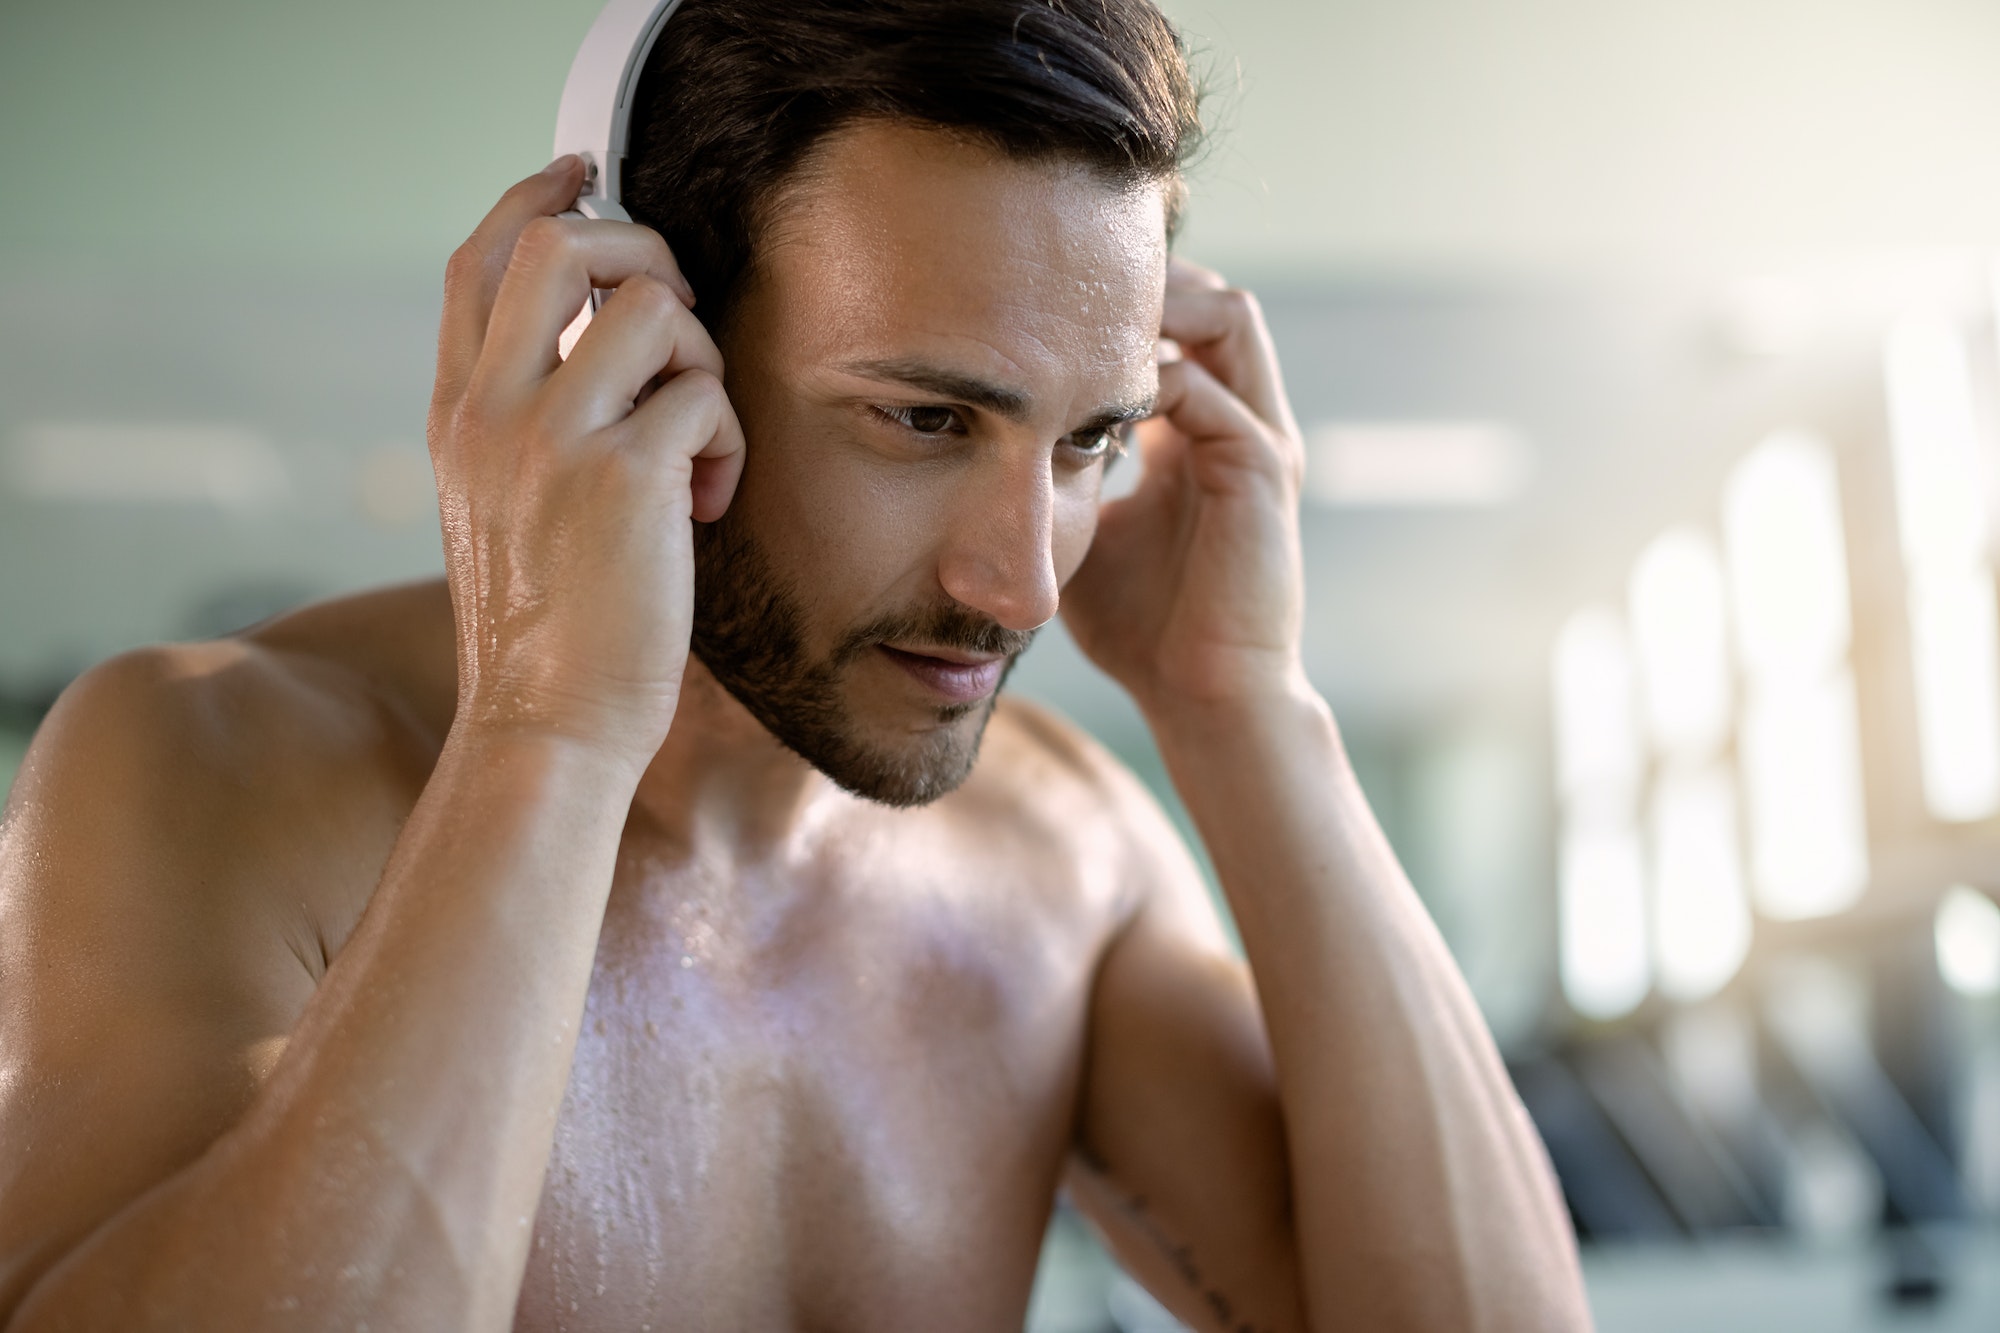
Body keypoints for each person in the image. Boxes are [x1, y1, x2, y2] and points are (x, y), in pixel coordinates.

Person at [0, 1, 1591, 1329]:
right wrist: (549, 731)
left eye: (1090, 439)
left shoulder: (1065, 867)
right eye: (925, 418)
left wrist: (1249, 707)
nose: (1022, 577)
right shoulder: (209, 774)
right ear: (633, 333)